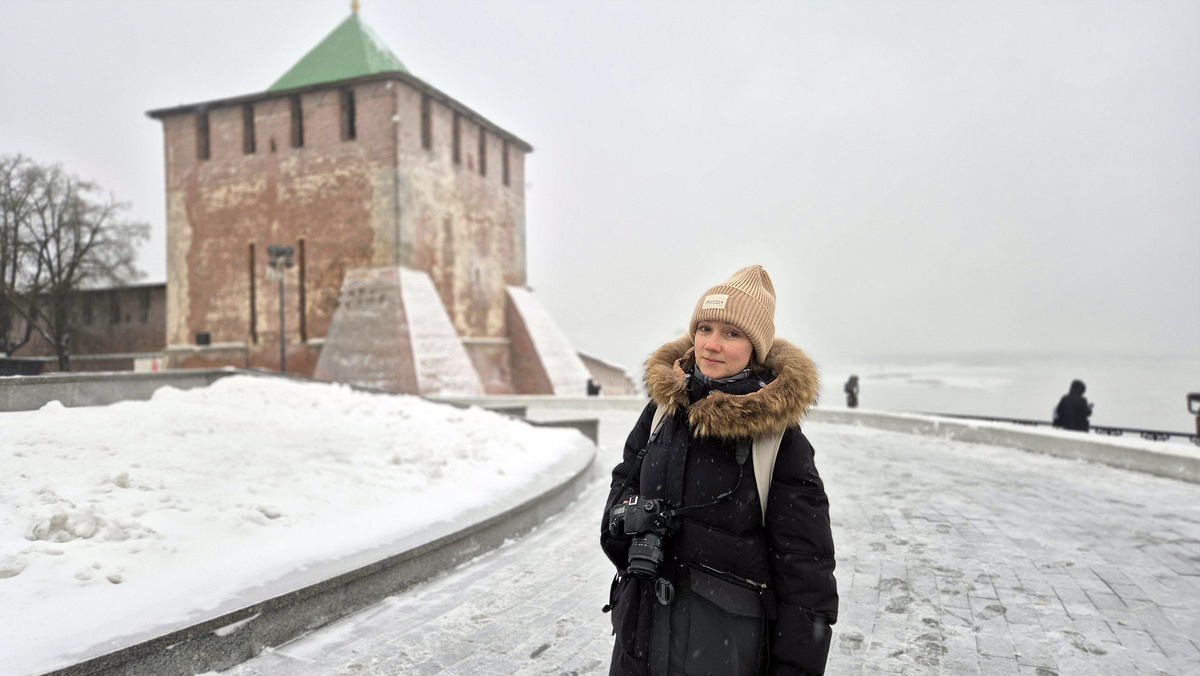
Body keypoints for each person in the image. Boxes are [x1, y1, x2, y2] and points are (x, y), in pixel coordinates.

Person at [601, 265, 838, 676]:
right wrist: (626, 522)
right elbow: (621, 487)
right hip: (639, 637)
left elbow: (806, 570)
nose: (712, 345)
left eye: (732, 334)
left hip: (724, 650)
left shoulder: (777, 440)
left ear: (755, 348)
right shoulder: (662, 412)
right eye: (705, 328)